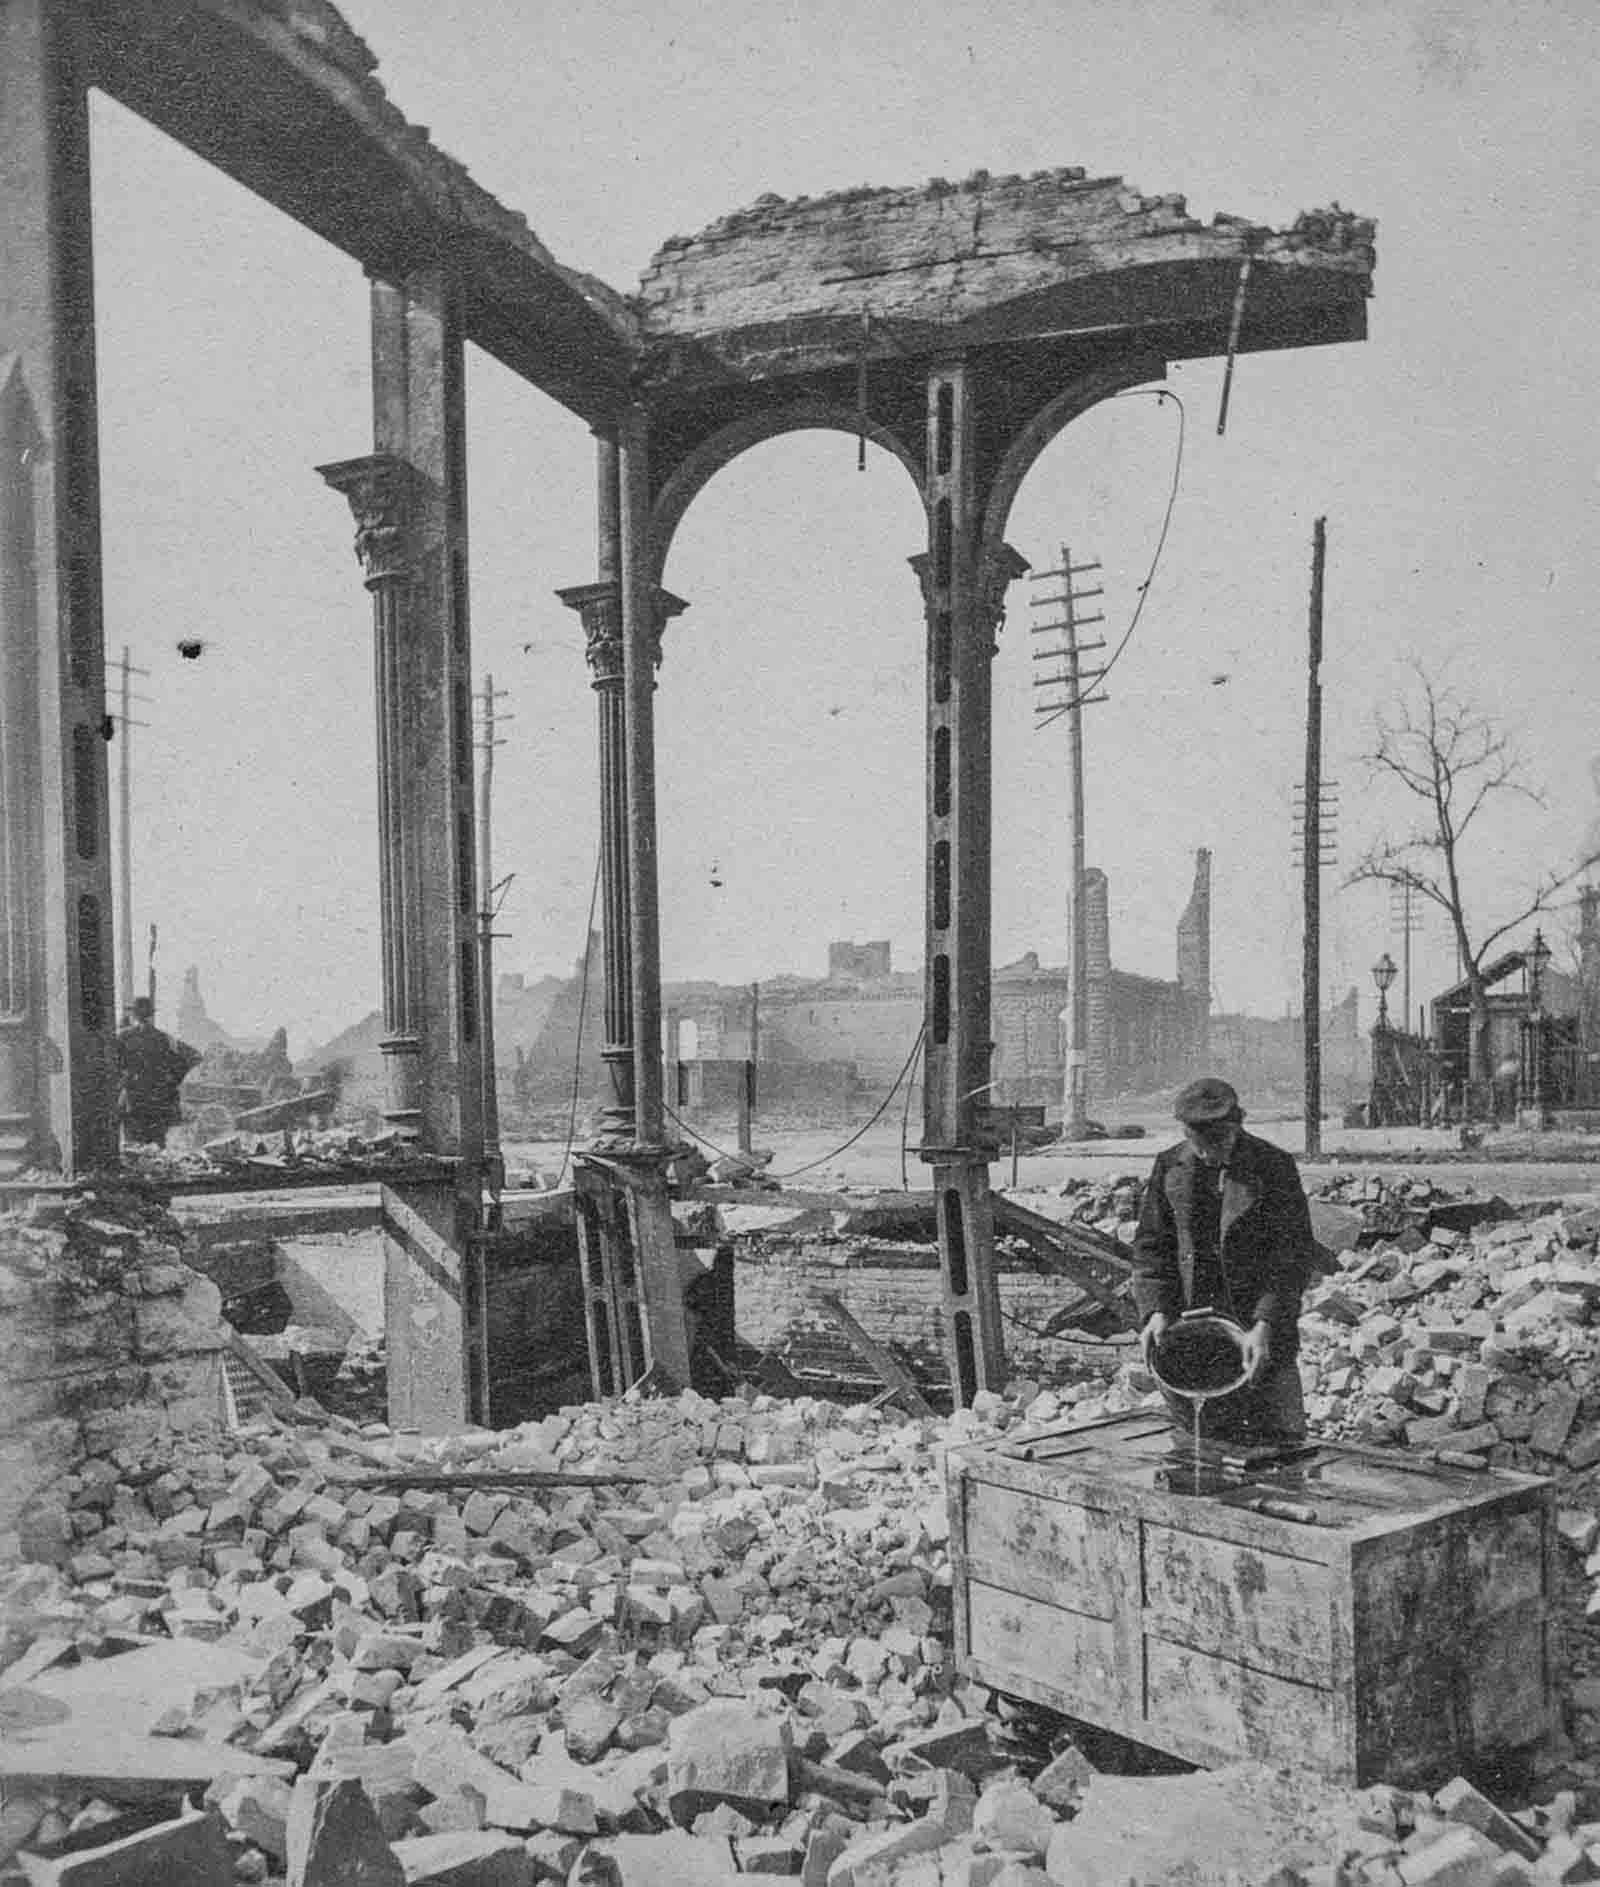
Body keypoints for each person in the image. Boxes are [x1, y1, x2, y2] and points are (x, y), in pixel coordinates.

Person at [1130, 1076, 1319, 1449]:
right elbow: (1151, 1248)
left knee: (1282, 1447)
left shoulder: (1273, 1168)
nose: (1206, 1156)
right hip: (1193, 1337)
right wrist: (1155, 1311)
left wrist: (1266, 1323)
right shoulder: (1170, 1166)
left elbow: (1292, 1257)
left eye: (1216, 1144)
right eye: (1197, 1145)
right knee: (1199, 1450)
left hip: (1258, 1331)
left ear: (1236, 1127)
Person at [116, 997, 202, 1147]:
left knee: (133, 1147)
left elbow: (111, 1064)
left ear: (133, 1014)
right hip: (159, 1100)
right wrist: (173, 1080)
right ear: (151, 1015)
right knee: (156, 1148)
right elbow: (194, 1056)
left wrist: (124, 1078)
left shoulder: (123, 1037)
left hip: (133, 1100)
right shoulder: (164, 1038)